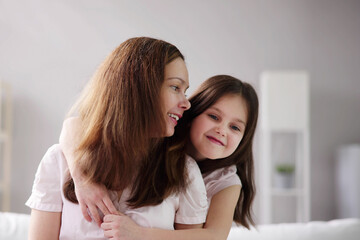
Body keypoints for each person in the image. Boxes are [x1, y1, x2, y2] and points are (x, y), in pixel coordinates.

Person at [26, 37, 208, 240]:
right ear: (139, 87)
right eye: (176, 87)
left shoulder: (184, 171)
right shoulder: (59, 161)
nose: (186, 103)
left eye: (185, 91)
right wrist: (82, 177)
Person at [62, 75, 259, 240]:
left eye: (235, 127)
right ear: (194, 113)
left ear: (244, 138)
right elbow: (72, 125)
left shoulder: (226, 180)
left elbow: (214, 236)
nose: (221, 130)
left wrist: (140, 234)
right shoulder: (163, 137)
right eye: (214, 117)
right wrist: (83, 181)